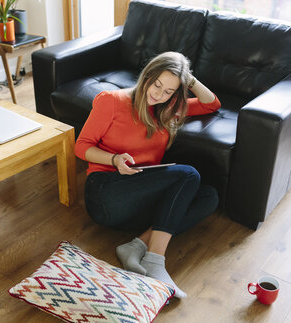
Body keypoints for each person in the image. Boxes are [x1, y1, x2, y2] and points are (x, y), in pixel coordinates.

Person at [74, 51, 221, 298]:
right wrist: (114, 159)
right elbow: (81, 146)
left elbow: (211, 103)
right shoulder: (111, 100)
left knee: (209, 197)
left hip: (140, 197)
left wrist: (188, 78)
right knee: (189, 175)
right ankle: (155, 261)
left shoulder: (168, 108)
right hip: (106, 192)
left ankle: (135, 246)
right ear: (147, 75)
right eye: (157, 85)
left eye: (168, 91)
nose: (158, 94)